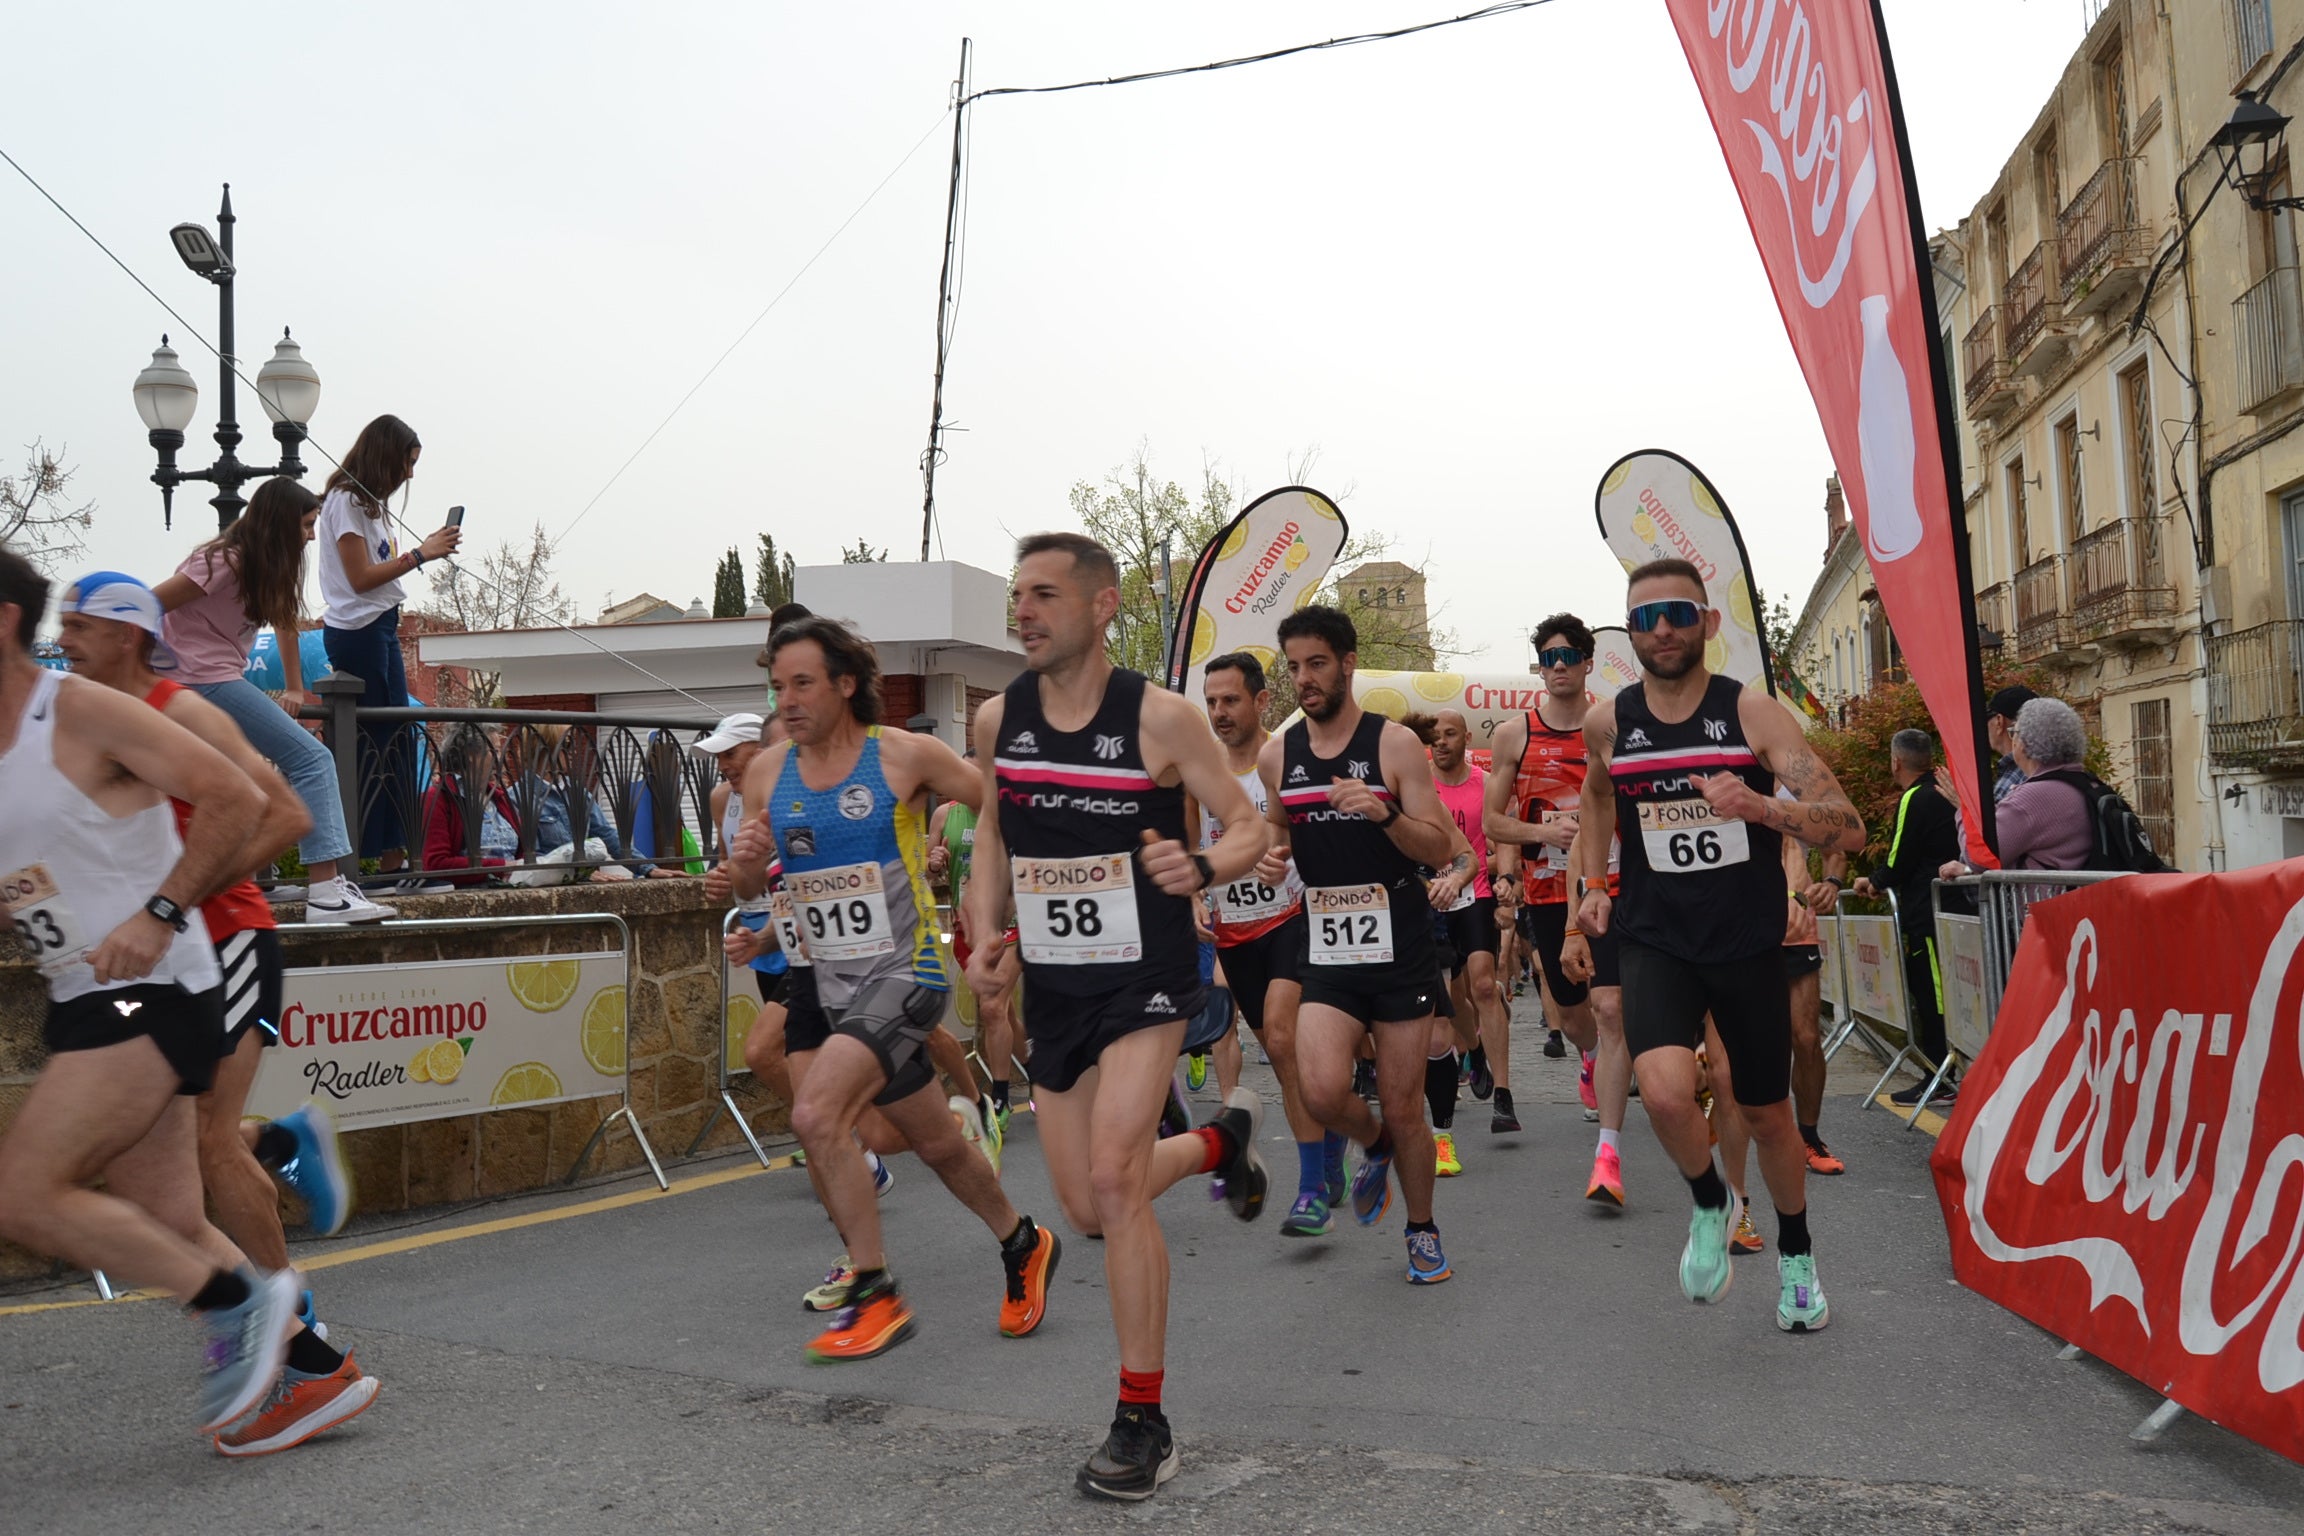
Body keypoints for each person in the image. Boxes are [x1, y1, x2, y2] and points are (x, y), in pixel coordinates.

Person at [964, 533, 1271, 1502]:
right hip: (1054, 987)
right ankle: (1222, 1144)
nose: (1024, 611)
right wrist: (984, 936)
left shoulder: (1164, 719)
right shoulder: (995, 720)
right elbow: (993, 836)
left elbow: (1253, 824)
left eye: (1044, 595)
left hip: (1145, 980)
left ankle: (1144, 1418)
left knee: (1114, 1177)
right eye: (1018, 595)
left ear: (1101, 607)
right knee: (1088, 1210)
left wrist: (1208, 866)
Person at [56, 570, 380, 1455]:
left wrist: (182, 897)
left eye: (78, 627)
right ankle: (280, 1150)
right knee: (158, 1165)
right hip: (164, 960)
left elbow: (283, 811)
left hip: (226, 940)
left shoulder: (180, 708)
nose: (64, 642)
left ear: (126, 633)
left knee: (200, 1143)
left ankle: (298, 1350)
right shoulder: (90, 721)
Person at [0, 547, 306, 1439]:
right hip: (81, 991)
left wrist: (163, 910)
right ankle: (312, 1374)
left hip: (153, 988)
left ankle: (234, 1307)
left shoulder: (82, 711)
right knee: (165, 1218)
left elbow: (239, 798)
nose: (77, 642)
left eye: (91, 628)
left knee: (21, 1195)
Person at [731, 616, 1058, 1364]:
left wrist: (1007, 899)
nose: (788, 700)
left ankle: (873, 1290)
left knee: (817, 1114)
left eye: (804, 683)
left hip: (904, 973)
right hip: (827, 981)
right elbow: (755, 882)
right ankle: (1022, 1240)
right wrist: (747, 866)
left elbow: (1003, 812)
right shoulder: (766, 773)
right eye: (778, 686)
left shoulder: (906, 756)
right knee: (936, 1142)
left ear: (846, 683)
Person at [1573, 559, 1865, 1333]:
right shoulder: (1610, 722)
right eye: (1644, 617)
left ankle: (1797, 1259)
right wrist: (1594, 889)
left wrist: (1765, 809)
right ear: (1630, 630)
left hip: (1744, 943)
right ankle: (1710, 1198)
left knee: (1765, 1112)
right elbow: (1598, 795)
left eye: (1675, 613)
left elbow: (1848, 822)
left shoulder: (1752, 716)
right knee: (1665, 1092)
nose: (1660, 628)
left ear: (1706, 622)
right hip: (1655, 936)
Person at [1261, 604, 1465, 1289]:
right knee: (1320, 1089)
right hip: (1327, 943)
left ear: (1347, 664)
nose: (1304, 679)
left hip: (1398, 940)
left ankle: (1422, 1229)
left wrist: (1383, 813)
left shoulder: (1392, 747)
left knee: (1405, 1105)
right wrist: (1269, 856)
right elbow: (1276, 834)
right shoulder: (1277, 756)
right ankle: (1371, 1144)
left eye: (1316, 663)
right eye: (1293, 667)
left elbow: (1439, 847)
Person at [153, 476, 392, 923]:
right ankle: (325, 892)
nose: (312, 535)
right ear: (280, 523)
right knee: (312, 759)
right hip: (201, 681)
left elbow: (284, 622)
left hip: (212, 678)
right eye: (306, 524)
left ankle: (245, 878)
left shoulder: (265, 564)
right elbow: (149, 604)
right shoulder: (223, 560)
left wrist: (297, 689)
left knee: (242, 783)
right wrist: (153, 669)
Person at [1192, 651, 1341, 1236]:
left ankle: (1310, 1192)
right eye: (1211, 702)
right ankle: (1326, 1150)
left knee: (1281, 1036)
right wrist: (1194, 899)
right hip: (1234, 932)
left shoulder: (1286, 761)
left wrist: (1289, 858)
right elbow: (1189, 848)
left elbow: (1320, 835)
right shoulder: (1198, 772)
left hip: (1292, 918)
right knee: (1284, 1059)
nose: (1220, 713)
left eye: (1231, 700)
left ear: (1260, 702)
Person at [1485, 613, 1630, 1190]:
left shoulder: (1614, 724)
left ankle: (1614, 1085)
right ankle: (1594, 1058)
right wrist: (1545, 836)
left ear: (1589, 662)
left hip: (1613, 886)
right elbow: (1496, 821)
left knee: (1611, 1005)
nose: (1561, 665)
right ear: (1540, 667)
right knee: (1570, 1012)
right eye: (1550, 657)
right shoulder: (1513, 735)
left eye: (1570, 655)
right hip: (1547, 890)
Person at [314, 414, 460, 886]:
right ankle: (368, 860)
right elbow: (359, 579)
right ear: (385, 456)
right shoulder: (344, 501)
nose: (410, 475)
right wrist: (421, 554)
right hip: (358, 630)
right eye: (407, 463)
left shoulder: (371, 505)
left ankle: (393, 855)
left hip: (379, 626)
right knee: (374, 744)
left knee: (396, 739)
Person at [1853, 729, 1960, 1107]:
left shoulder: (1915, 797)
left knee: (1933, 998)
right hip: (1951, 910)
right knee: (1950, 994)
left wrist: (1875, 881)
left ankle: (1940, 1078)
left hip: (1926, 916)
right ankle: (1946, 1074)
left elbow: (1899, 858)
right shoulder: (1945, 790)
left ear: (1895, 761)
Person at [929, 750, 1021, 1128]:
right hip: (968, 925)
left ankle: (999, 1098)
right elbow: (929, 871)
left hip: (1011, 923)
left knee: (992, 1009)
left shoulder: (1008, 815)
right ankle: (1037, 1069)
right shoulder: (944, 814)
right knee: (1003, 1012)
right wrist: (933, 861)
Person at [500, 723, 681, 880]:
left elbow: (607, 835)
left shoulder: (577, 792)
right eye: (568, 744)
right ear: (545, 748)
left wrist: (648, 869)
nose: (574, 752)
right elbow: (534, 857)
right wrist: (582, 873)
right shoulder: (519, 799)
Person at [1993, 698, 2099, 871]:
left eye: (2014, 733)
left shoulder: (2031, 798)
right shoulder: (2089, 783)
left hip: (2046, 898)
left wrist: (1963, 809)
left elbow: (1982, 857)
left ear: (2026, 744)